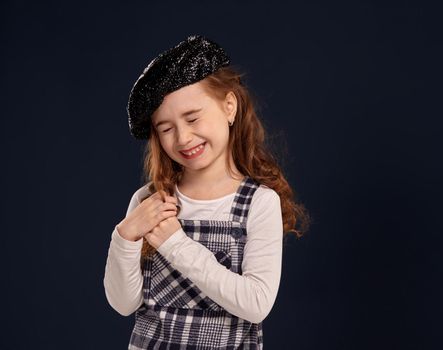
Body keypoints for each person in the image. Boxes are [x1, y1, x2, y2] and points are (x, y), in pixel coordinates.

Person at [103, 34, 310, 349]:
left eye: (193, 118)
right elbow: (124, 304)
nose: (184, 138)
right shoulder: (148, 201)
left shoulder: (258, 202)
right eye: (167, 128)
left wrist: (175, 244)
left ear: (229, 106)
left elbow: (256, 303)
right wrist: (124, 237)